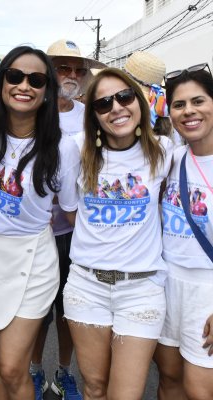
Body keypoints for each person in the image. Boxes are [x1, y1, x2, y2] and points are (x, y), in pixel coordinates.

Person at [0, 45, 80, 400]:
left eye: (36, 79)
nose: (24, 85)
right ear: (1, 83)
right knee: (0, 358)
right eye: (15, 76)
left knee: (14, 365)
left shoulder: (63, 148)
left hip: (33, 260)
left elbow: (75, 215)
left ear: (47, 91)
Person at [63, 67, 173, 399]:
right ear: (94, 115)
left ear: (139, 102)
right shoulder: (76, 149)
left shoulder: (164, 151)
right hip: (86, 286)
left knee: (125, 393)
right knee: (95, 387)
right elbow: (71, 212)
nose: (117, 108)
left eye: (124, 97)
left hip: (142, 289)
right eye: (103, 104)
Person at [30, 38, 104, 400]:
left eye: (78, 69)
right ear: (49, 71)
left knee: (68, 310)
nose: (72, 75)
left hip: (76, 230)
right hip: (35, 231)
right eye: (63, 68)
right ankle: (33, 371)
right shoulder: (32, 110)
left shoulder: (90, 113)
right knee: (36, 311)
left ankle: (64, 372)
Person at [154, 63, 213, 400]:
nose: (189, 111)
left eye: (199, 101)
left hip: (207, 293)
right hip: (165, 285)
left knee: (200, 390)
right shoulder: (171, 159)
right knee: (170, 379)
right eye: (179, 104)